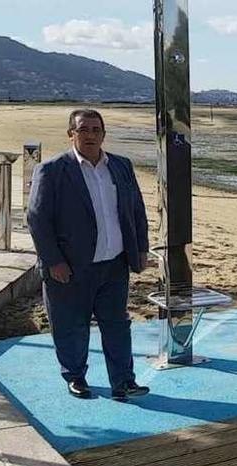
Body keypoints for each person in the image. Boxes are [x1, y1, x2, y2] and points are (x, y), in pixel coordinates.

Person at [27, 109, 150, 402]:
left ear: (103, 134)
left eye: (96, 130)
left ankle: (124, 381)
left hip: (114, 264)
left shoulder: (121, 166)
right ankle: (76, 377)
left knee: (117, 325)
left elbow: (136, 211)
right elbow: (37, 218)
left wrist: (141, 248)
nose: (91, 135)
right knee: (71, 325)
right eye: (84, 130)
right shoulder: (52, 170)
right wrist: (53, 260)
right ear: (72, 134)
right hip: (69, 267)